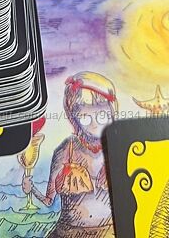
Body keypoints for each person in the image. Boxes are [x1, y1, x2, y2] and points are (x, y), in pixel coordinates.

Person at [22, 71, 118, 237]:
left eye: (102, 115)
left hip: (111, 232)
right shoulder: (66, 149)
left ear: (112, 111)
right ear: (74, 117)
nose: (94, 124)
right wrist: (32, 189)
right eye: (85, 117)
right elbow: (49, 201)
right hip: (68, 233)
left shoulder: (117, 146)